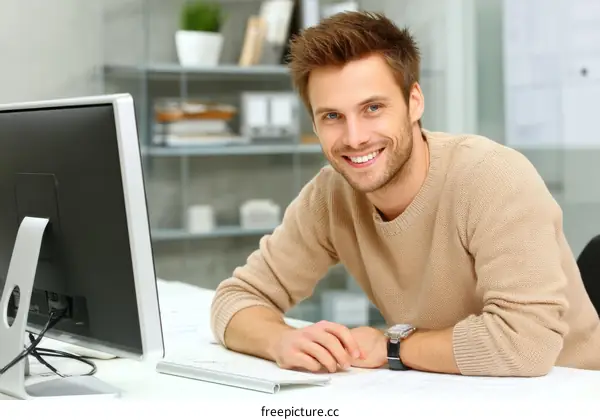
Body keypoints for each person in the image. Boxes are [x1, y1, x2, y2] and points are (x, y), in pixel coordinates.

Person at [210, 11, 600, 377]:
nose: (355, 137)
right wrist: (281, 341)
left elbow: (527, 344)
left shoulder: (491, 178)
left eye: (373, 108)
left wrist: (392, 345)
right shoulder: (331, 194)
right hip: (443, 392)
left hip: (565, 393)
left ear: (414, 101)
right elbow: (236, 299)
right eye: (332, 116)